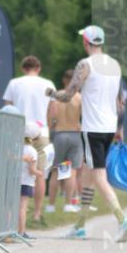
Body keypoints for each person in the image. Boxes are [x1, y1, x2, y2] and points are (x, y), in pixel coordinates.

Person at [48, 25, 127, 243]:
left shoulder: (84, 65)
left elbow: (68, 95)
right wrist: (120, 128)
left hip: (92, 128)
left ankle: (123, 220)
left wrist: (50, 93)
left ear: (86, 42)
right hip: (108, 127)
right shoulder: (114, 65)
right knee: (87, 177)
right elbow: (120, 102)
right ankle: (80, 226)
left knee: (98, 175)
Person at [3, 56, 55, 223]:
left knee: (14, 171)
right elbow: (53, 109)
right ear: (38, 68)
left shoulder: (15, 83)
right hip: (41, 132)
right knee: (40, 174)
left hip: (19, 131)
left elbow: (8, 107)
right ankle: (37, 212)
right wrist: (47, 125)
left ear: (23, 68)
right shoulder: (48, 84)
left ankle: (14, 211)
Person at [46, 69, 82, 213]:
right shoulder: (79, 97)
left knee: (56, 171)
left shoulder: (57, 96)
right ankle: (68, 204)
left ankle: (51, 205)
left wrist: (49, 131)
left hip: (59, 134)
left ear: (64, 80)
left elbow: (51, 115)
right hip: (74, 134)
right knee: (71, 171)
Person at [19, 121, 40, 239]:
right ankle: (21, 231)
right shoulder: (32, 151)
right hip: (26, 182)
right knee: (23, 207)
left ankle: (10, 230)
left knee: (13, 207)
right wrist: (39, 173)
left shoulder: (17, 147)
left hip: (15, 180)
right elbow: (32, 170)